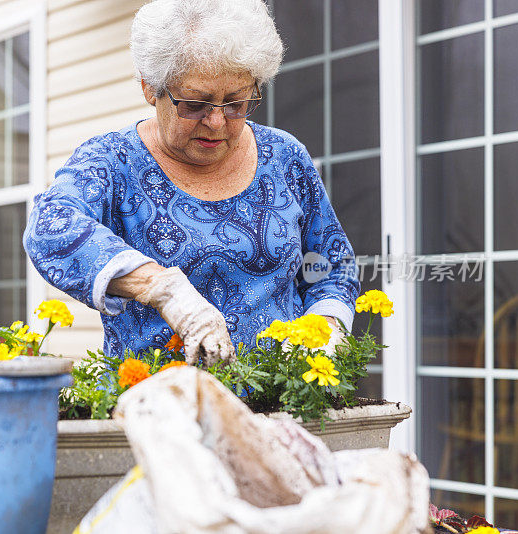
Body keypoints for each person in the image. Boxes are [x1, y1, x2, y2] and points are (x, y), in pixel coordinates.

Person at [23, 0, 359, 366]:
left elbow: (331, 262)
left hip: (279, 403)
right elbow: (49, 226)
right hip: (160, 407)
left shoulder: (284, 156)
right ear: (151, 89)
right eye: (195, 104)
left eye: (236, 102)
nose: (216, 121)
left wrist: (326, 326)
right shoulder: (112, 161)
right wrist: (162, 289)